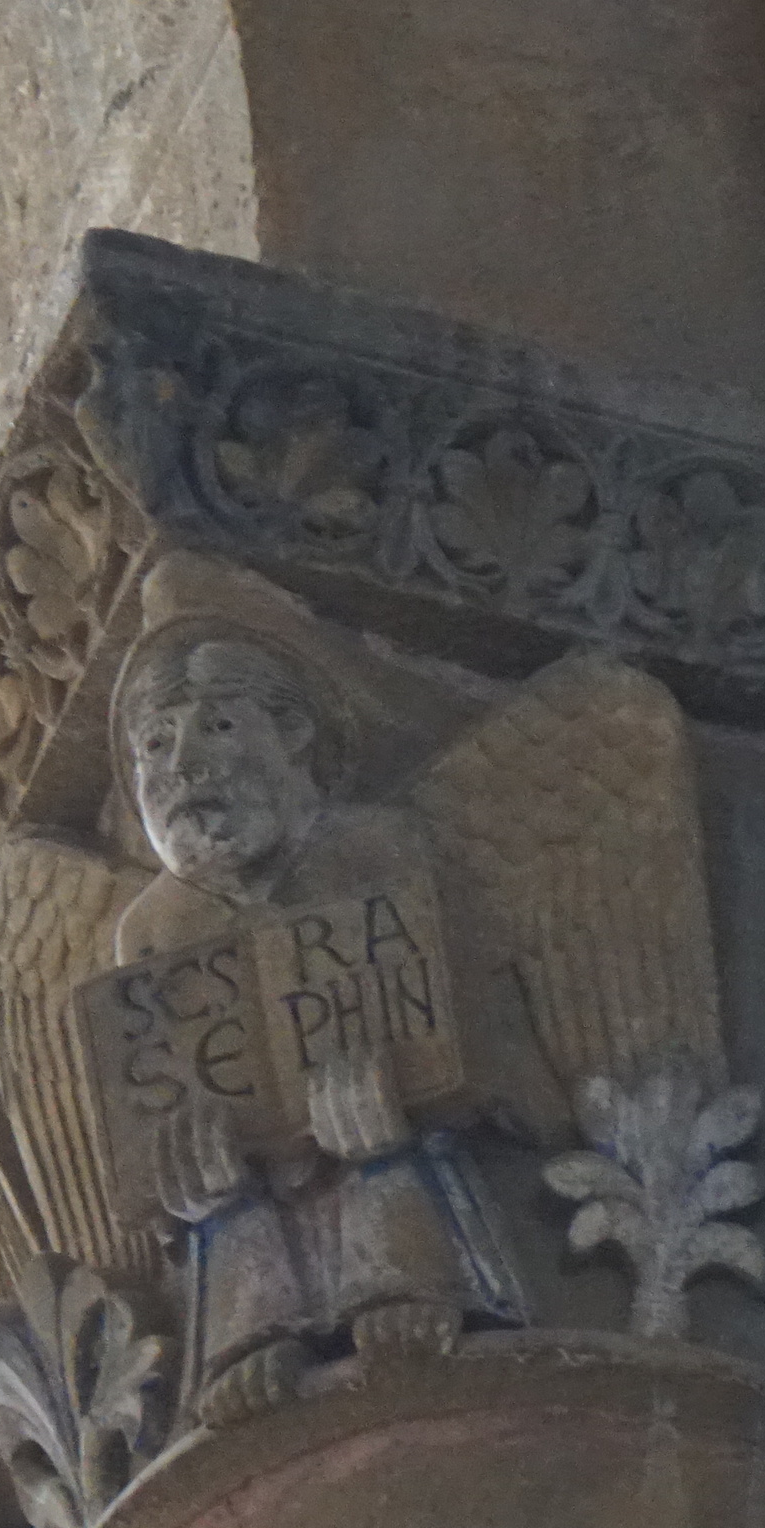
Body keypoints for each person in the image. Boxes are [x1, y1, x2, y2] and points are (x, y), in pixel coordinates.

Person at [108, 561, 522, 1419]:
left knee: (377, 1126)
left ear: (294, 736)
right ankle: (249, 1326)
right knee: (222, 1182)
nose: (183, 764)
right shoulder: (151, 928)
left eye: (218, 726)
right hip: (253, 1214)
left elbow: (478, 1051)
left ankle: (408, 1268)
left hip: (401, 1165)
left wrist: (394, 1119)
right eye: (155, 743)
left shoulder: (377, 851)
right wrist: (188, 1183)